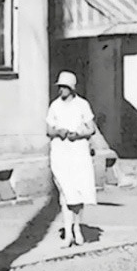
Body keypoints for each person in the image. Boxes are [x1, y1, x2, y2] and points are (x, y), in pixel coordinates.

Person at [46, 71, 97, 248]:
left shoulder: (82, 105)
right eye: (60, 87)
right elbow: (48, 129)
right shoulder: (55, 106)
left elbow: (92, 128)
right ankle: (67, 233)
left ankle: (77, 228)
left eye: (65, 87)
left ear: (72, 88)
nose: (62, 90)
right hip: (61, 152)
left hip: (78, 152)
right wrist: (58, 132)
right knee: (65, 193)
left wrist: (79, 134)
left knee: (78, 191)